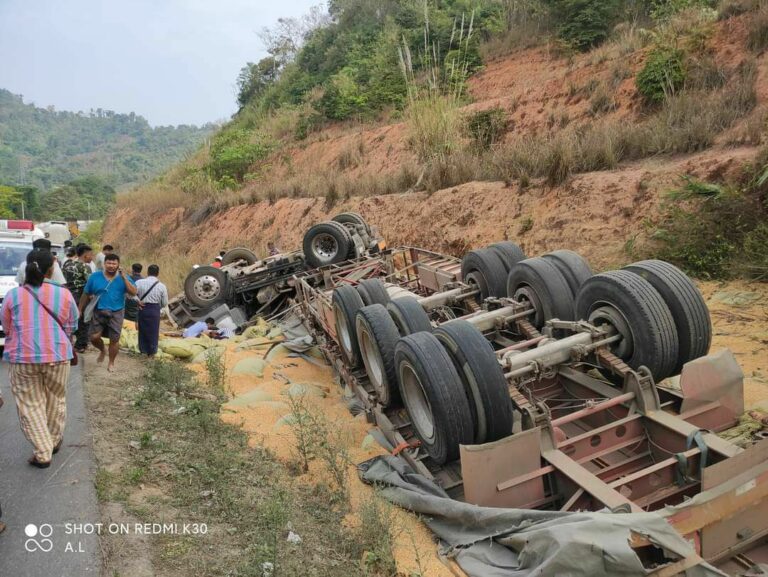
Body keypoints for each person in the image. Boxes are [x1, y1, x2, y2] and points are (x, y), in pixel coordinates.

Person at [1, 249, 78, 468]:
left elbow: (7, 327)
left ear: (26, 268)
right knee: (56, 398)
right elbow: (72, 325)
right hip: (58, 355)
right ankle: (52, 442)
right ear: (51, 269)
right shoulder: (64, 294)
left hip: (23, 357)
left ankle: (43, 451)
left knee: (30, 404)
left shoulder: (13, 295)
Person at [79, 253, 137, 372]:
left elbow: (133, 292)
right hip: (99, 311)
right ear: (104, 264)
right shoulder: (95, 276)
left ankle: (111, 362)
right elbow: (85, 294)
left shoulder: (123, 277)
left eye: (114, 263)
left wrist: (124, 277)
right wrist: (79, 309)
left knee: (114, 340)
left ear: (118, 265)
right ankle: (102, 350)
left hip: (117, 311)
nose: (111, 266)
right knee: (94, 337)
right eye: (109, 263)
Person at [63, 244, 93, 353]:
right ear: (85, 255)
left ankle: (67, 342)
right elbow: (90, 284)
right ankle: (80, 345)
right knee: (84, 320)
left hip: (68, 295)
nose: (92, 257)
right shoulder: (85, 267)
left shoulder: (67, 265)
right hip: (81, 296)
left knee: (70, 319)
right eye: (90, 255)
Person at [135, 264, 168, 356]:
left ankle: (143, 350)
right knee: (153, 331)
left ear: (147, 272)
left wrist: (138, 301)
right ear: (157, 273)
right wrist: (158, 306)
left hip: (142, 307)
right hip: (155, 309)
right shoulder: (162, 286)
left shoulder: (139, 282)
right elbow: (165, 303)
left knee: (142, 329)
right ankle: (152, 351)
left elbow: (131, 294)